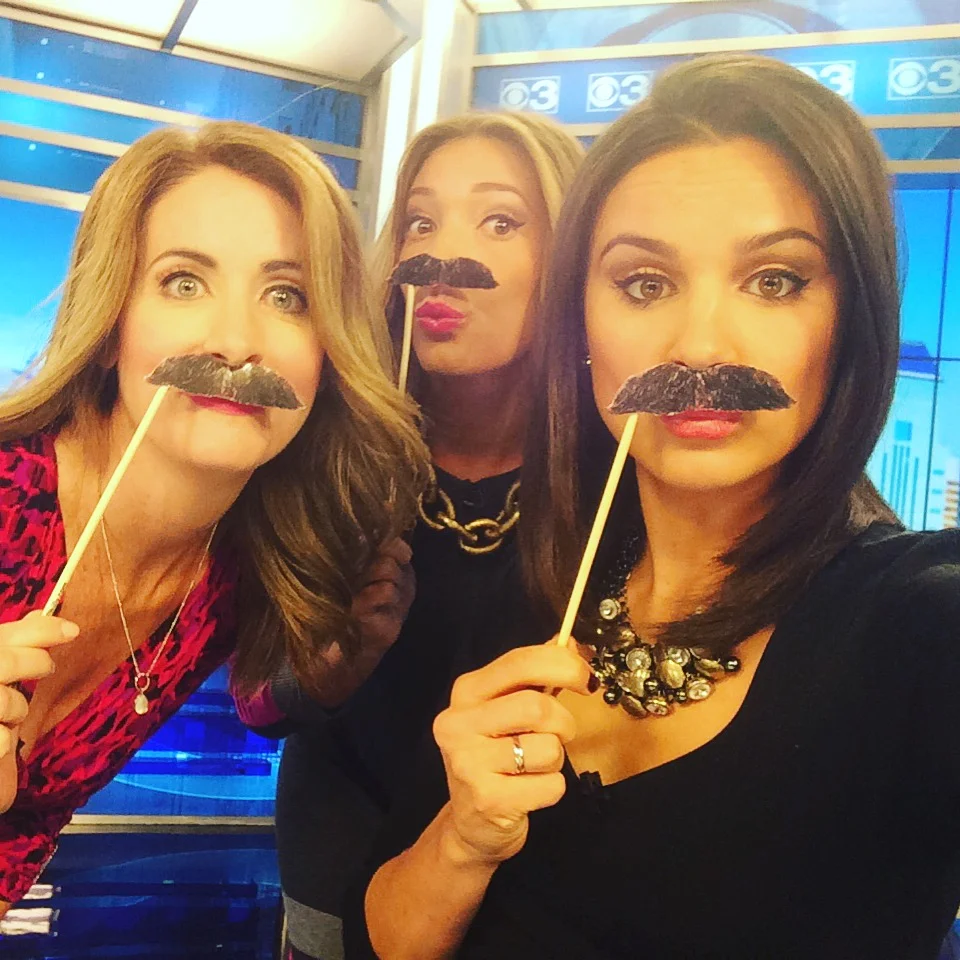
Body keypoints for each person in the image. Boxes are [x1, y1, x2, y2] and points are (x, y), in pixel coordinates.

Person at [347, 54, 960, 959]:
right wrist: (464, 839)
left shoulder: (914, 625)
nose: (700, 344)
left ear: (852, 320)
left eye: (776, 280)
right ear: (581, 327)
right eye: (644, 283)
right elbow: (379, 937)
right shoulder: (542, 592)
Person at [0, 121, 428, 916]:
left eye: (287, 296)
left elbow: (27, 829)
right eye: (183, 282)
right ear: (110, 326)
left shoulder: (232, 578)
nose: (236, 344)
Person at [241, 113, 584, 960]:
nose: (441, 255)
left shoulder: (619, 473)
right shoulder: (332, 447)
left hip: (541, 901)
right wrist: (324, 671)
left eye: (499, 221)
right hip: (334, 891)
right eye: (421, 222)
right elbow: (254, 698)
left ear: (575, 261)